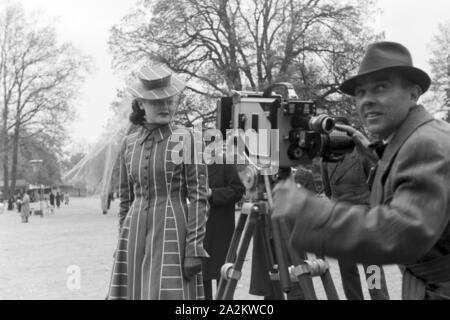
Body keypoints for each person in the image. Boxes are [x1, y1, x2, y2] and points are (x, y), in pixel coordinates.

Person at [273, 41, 450, 300]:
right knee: (350, 277)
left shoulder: (423, 144)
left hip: (367, 225)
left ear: (413, 94)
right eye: (360, 93)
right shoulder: (396, 143)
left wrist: (310, 212)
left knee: (373, 274)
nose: (367, 101)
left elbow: (403, 234)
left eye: (381, 87)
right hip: (353, 223)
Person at [106, 65, 209, 300]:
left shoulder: (189, 138)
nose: (165, 106)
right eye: (156, 102)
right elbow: (126, 199)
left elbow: (199, 197)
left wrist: (194, 248)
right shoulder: (129, 143)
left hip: (172, 230)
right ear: (141, 103)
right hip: (134, 230)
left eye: (169, 100)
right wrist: (122, 240)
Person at [323, 142, 389, 300]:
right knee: (346, 267)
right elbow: (328, 189)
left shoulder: (362, 154)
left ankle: (379, 297)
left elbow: (376, 184)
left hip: (362, 213)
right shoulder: (325, 159)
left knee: (371, 264)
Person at [202, 140, 245, 300]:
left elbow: (238, 190)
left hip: (221, 229)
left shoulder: (226, 163)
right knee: (200, 277)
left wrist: (212, 193)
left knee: (224, 273)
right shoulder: (191, 165)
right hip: (198, 230)